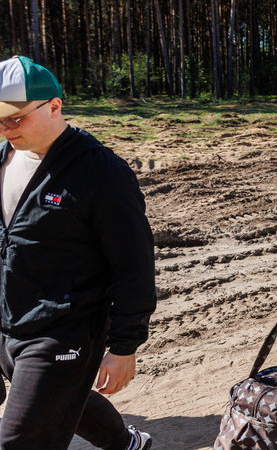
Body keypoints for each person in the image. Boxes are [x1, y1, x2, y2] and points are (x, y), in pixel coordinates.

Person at [0, 56, 155, 450]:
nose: (5, 129)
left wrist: (124, 347)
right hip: (8, 315)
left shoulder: (102, 173)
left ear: (54, 106)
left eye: (15, 118)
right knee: (65, 395)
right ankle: (127, 443)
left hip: (62, 328)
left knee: (19, 439)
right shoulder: (2, 157)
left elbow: (134, 265)